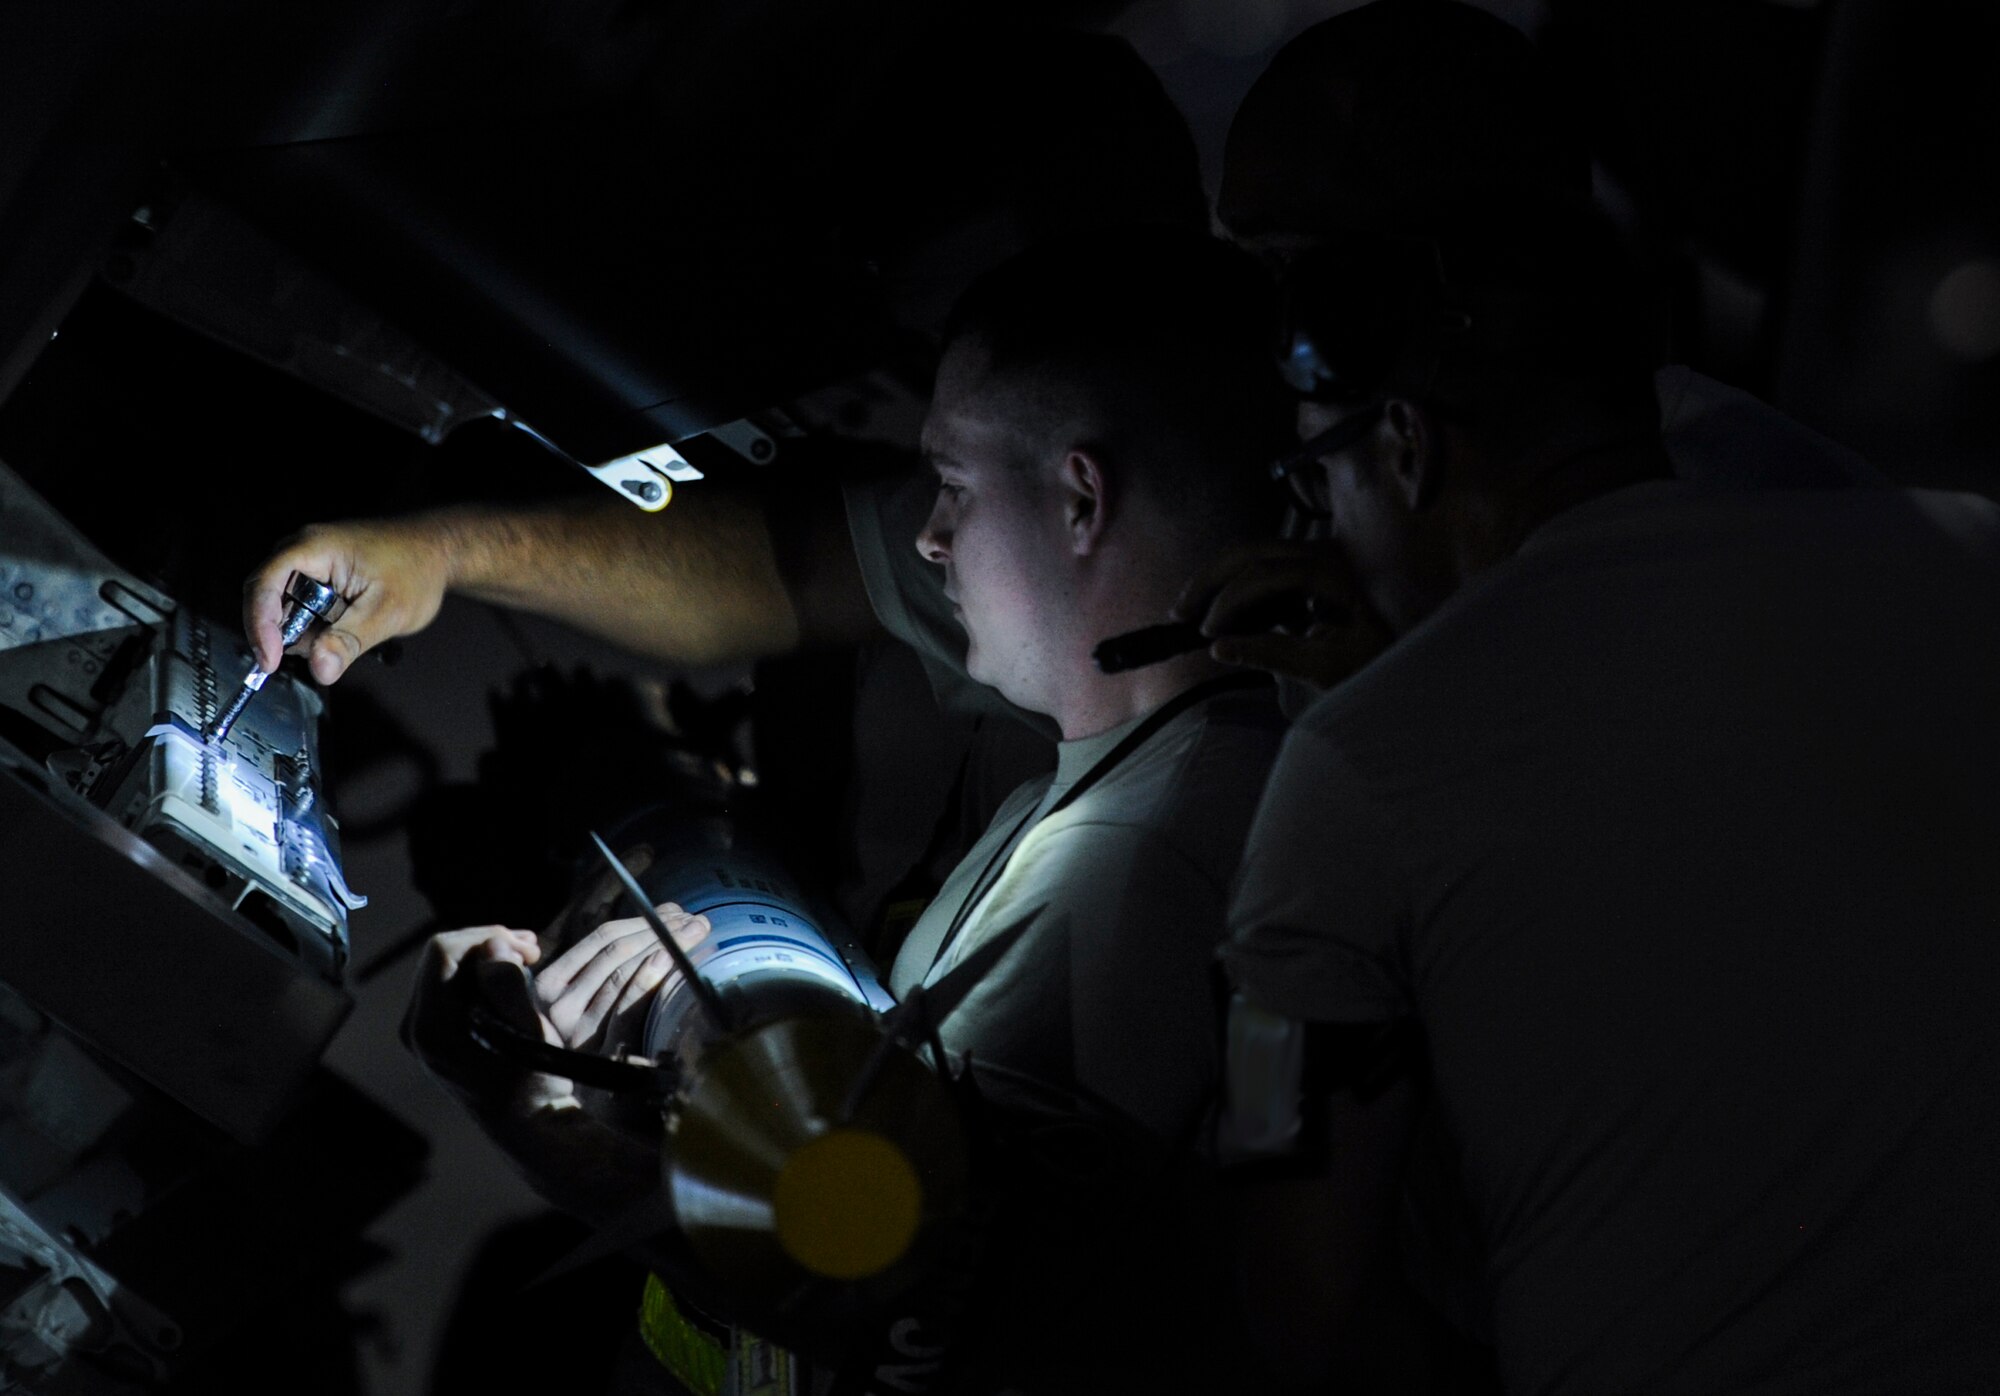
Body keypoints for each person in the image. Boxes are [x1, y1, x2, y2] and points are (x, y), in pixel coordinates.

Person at [408, 228, 1298, 1392]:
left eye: (957, 488)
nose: (927, 534)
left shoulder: (1141, 861)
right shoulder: (1098, 795)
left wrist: (548, 1122)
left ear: (1079, 499)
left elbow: (941, 1318)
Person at [1214, 186, 2000, 1393]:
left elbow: (1297, 1287)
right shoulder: (1966, 561)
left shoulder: (1354, 766)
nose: (1319, 528)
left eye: (1319, 480)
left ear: (1407, 447)